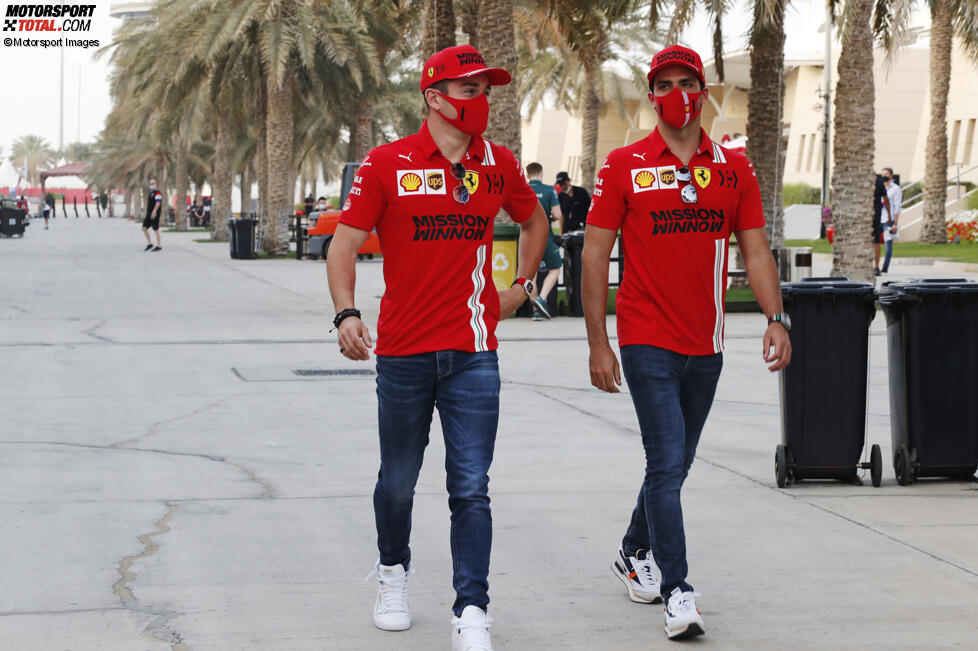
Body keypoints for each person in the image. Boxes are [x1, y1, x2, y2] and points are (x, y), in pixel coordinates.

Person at [325, 44, 548, 651]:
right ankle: (393, 573)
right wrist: (347, 313)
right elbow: (342, 246)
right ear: (434, 97)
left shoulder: (497, 164)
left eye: (485, 90)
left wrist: (521, 287)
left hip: (474, 350)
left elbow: (535, 222)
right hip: (402, 352)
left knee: (470, 485)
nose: (482, 101)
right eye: (470, 90)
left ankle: (471, 608)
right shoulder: (387, 164)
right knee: (397, 481)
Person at [582, 44, 792, 641]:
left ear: (702, 90)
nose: (678, 93)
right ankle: (678, 591)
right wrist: (600, 343)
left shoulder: (732, 169)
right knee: (667, 462)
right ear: (652, 95)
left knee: (674, 465)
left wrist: (778, 317)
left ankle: (632, 549)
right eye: (666, 83)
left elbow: (753, 249)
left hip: (708, 343)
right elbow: (595, 255)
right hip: (647, 338)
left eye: (688, 82)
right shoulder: (623, 166)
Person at [525, 162, 564, 319]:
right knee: (555, 268)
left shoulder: (523, 189)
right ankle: (542, 299)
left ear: (527, 175)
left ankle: (536, 309)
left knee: (530, 274)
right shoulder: (549, 190)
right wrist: (550, 216)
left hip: (527, 238)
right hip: (544, 237)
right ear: (541, 174)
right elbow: (558, 214)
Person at [880, 167, 902, 273]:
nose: (884, 176)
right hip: (878, 218)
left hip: (889, 219)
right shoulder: (879, 187)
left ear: (891, 176)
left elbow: (897, 207)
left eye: (886, 174)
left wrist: (895, 223)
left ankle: (885, 268)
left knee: (888, 244)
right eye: (882, 174)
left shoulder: (895, 189)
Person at [141, 179, 163, 251]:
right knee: (144, 228)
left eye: (153, 183)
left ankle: (159, 245)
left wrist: (154, 212)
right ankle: (150, 244)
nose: (151, 185)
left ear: (156, 184)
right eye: (150, 183)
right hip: (149, 214)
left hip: (155, 213)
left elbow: (158, 203)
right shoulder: (151, 193)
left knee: (155, 229)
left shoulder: (158, 193)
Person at [872, 173, 887, 275]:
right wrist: (890, 214)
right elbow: (885, 199)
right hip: (876, 214)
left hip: (863, 214)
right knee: (877, 241)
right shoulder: (878, 181)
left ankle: (872, 266)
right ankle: (876, 267)